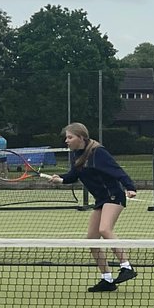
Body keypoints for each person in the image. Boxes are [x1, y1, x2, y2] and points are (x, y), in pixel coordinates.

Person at [49, 122, 138, 292]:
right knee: (91, 240)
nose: (66, 141)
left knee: (105, 229)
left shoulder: (98, 152)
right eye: (66, 137)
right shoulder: (76, 155)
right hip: (101, 200)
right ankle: (107, 279)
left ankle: (127, 267)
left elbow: (117, 171)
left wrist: (130, 187)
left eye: (70, 137)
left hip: (113, 196)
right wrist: (59, 179)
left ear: (81, 137)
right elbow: (72, 176)